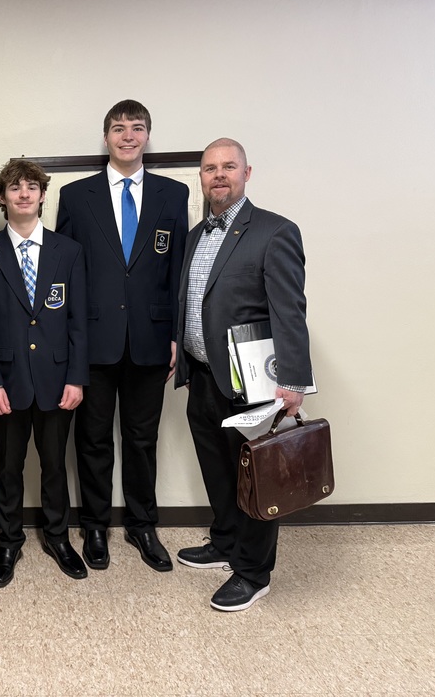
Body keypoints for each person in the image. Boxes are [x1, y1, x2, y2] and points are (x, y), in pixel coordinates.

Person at [174, 138, 312, 612]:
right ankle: (225, 541)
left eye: (228, 167)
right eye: (209, 168)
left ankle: (253, 572)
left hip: (254, 384)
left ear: (247, 174)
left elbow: (289, 312)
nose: (218, 175)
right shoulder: (196, 235)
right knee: (217, 469)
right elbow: (195, 303)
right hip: (205, 378)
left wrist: (292, 381)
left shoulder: (274, 232)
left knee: (254, 478)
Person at [55, 99, 188, 572]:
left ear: (148, 135)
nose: (127, 135)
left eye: (137, 127)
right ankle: (94, 525)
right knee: (92, 440)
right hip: (92, 339)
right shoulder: (75, 196)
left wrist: (175, 334)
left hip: (151, 339)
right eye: (118, 128)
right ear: (106, 136)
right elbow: (64, 272)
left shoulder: (173, 195)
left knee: (141, 438)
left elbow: (177, 273)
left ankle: (142, 525)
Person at [0, 159, 89, 587]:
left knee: (54, 465)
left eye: (31, 186)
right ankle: (9, 541)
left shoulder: (68, 251)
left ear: (43, 195)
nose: (23, 193)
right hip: (6, 383)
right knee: (9, 466)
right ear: (3, 197)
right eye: (14, 187)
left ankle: (58, 537)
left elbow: (78, 320)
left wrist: (76, 377)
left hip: (57, 380)